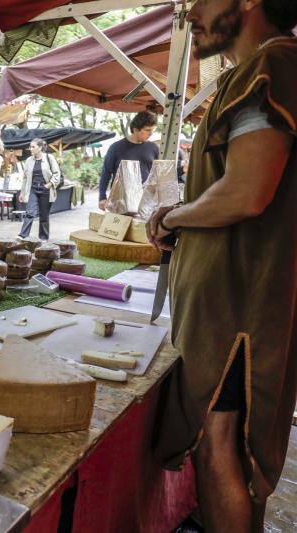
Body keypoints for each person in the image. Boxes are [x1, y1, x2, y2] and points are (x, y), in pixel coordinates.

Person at [147, 1, 297, 531]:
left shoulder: (271, 64)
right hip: (236, 304)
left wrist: (173, 218)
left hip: (239, 312)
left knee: (220, 450)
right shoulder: (260, 68)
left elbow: (246, 192)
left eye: (199, 0)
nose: (189, 12)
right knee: (234, 455)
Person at [98, 111, 160, 210]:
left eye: (152, 130)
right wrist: (102, 197)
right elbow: (106, 173)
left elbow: (157, 174)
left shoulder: (154, 148)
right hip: (120, 200)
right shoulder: (116, 148)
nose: (151, 134)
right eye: (147, 130)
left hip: (146, 200)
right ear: (135, 130)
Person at [17, 138, 61, 241]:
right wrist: (22, 192)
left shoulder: (49, 158)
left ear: (40, 148)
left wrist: (50, 184)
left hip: (45, 190)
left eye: (33, 147)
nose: (30, 149)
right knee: (30, 213)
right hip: (33, 189)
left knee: (44, 216)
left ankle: (43, 238)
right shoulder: (29, 160)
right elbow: (25, 177)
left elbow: (57, 173)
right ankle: (22, 236)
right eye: (30, 146)